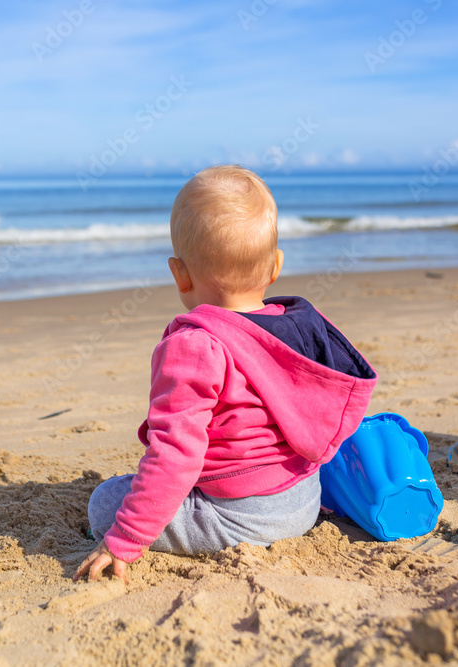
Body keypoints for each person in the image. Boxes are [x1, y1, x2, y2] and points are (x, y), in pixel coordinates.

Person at [74, 165, 377, 583]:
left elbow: (176, 454)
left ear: (179, 274)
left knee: (105, 501)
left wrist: (125, 537)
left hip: (240, 519)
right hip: (304, 500)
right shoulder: (298, 329)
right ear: (275, 267)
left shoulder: (194, 346)